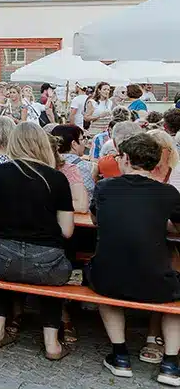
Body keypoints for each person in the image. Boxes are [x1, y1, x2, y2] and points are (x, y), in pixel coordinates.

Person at [0, 123, 75, 360]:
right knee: (52, 284)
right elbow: (68, 231)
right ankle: (52, 345)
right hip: (46, 262)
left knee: (2, 275)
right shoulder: (57, 179)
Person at [90, 134, 180, 385]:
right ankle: (171, 363)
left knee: (106, 292)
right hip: (156, 280)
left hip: (108, 278)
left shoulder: (105, 187)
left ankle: (120, 356)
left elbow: (97, 221)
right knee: (175, 297)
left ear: (126, 159)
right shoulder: (168, 193)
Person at [49, 124, 96, 198]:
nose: (85, 142)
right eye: (82, 139)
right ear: (74, 144)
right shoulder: (85, 166)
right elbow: (90, 196)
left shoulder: (46, 163)